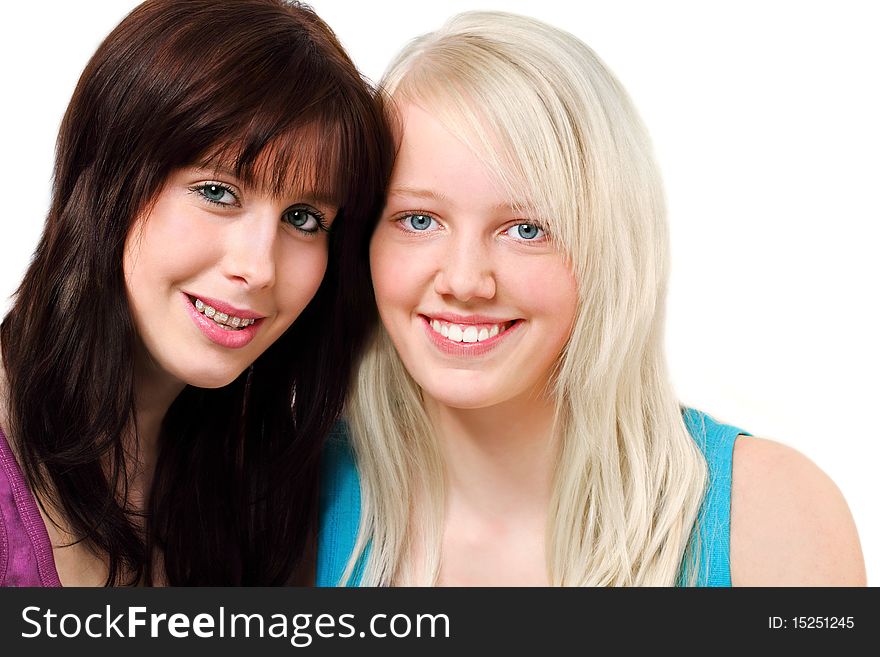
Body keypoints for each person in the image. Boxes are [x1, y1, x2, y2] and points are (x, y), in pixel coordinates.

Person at [317, 11, 865, 586]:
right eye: (419, 219)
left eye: (527, 229)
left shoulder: (772, 517)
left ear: (610, 247)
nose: (464, 280)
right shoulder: (289, 499)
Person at [0, 0, 393, 586]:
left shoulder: (274, 490)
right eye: (218, 191)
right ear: (106, 178)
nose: (260, 267)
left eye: (305, 218)